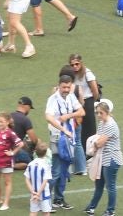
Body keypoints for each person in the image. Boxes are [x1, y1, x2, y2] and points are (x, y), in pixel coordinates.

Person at [45, 74, 82, 210]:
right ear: (59, 86)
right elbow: (48, 117)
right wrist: (63, 129)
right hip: (57, 138)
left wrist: (69, 115)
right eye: (63, 87)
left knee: (64, 171)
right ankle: (45, 200)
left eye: (68, 86)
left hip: (68, 139)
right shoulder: (53, 99)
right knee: (55, 171)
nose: (66, 89)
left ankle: (59, 199)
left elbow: (82, 112)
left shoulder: (71, 97)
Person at [25, 142, 53, 215]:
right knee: (46, 212)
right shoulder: (46, 165)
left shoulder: (30, 164)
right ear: (46, 153)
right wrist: (38, 194)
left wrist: (33, 192)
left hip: (33, 193)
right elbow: (45, 181)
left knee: (33, 212)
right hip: (44, 193)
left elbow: (27, 179)